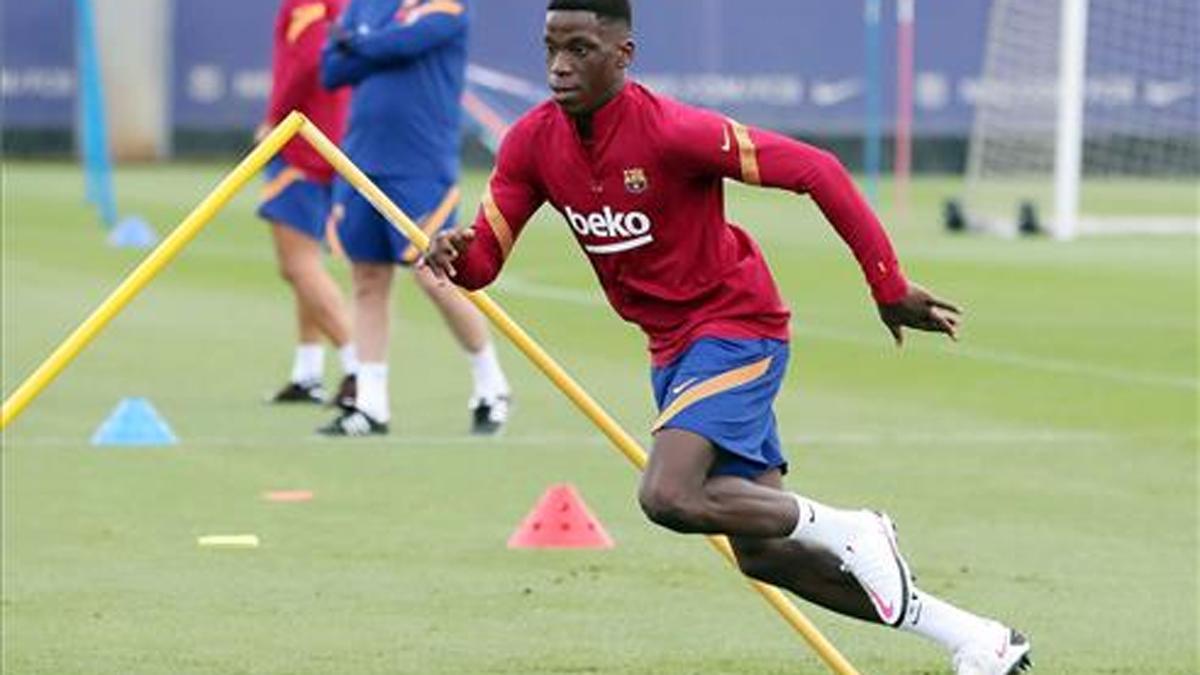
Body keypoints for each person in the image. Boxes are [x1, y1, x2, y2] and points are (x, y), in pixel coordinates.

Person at [422, 1, 1032, 673]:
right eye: (550, 49)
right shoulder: (531, 143)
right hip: (674, 350)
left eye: (580, 49)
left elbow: (818, 171)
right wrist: (454, 252)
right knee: (766, 552)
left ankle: (854, 528)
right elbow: (482, 266)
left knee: (668, 496)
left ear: (623, 55)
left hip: (738, 329)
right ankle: (976, 637)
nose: (560, 67)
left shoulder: (673, 131)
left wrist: (886, 284)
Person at [318, 0, 512, 437]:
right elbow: (331, 69)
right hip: (361, 160)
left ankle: (490, 385)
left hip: (419, 165)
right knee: (367, 279)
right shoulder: (365, 5)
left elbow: (405, 44)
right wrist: (360, 45)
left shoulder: (446, 4)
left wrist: (359, 44)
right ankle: (370, 406)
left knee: (435, 275)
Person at [258, 0, 359, 407]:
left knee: (297, 263)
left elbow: (305, 60)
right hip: (330, 136)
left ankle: (357, 368)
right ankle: (308, 371)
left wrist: (274, 121)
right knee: (307, 261)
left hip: (304, 143)